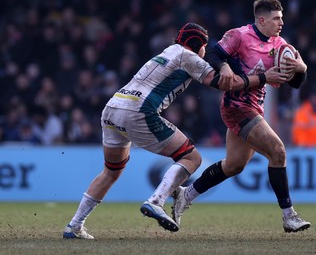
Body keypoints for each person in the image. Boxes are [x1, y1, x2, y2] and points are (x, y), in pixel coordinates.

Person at [62, 22, 280, 239]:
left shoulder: (168, 51)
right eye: (204, 46)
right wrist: (263, 78)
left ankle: (74, 225)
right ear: (198, 44)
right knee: (191, 157)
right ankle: (156, 201)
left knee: (111, 171)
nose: (205, 52)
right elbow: (226, 84)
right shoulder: (189, 57)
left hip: (113, 107)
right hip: (139, 111)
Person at [171, 0, 311, 233]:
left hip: (255, 108)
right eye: (277, 18)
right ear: (261, 20)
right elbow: (213, 56)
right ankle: (289, 216)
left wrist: (301, 68)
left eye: (282, 17)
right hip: (236, 107)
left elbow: (296, 83)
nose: (282, 22)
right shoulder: (239, 35)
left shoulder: (280, 45)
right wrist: (224, 66)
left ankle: (186, 195)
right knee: (278, 152)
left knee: (234, 165)